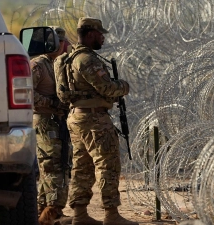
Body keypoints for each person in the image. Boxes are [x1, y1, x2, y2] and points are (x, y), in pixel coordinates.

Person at [66, 17, 138, 225]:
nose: (103, 37)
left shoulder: (71, 58)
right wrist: (123, 86)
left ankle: (79, 215)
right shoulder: (87, 60)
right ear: (90, 34)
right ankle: (111, 215)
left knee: (82, 166)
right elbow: (107, 88)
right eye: (100, 34)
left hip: (77, 117)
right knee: (108, 164)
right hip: (94, 119)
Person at [31, 26, 72, 225]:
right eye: (63, 42)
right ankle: (52, 211)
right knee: (52, 167)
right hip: (46, 121)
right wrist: (53, 103)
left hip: (57, 122)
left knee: (57, 165)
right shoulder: (38, 65)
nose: (66, 46)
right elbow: (26, 94)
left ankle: (44, 210)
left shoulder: (57, 64)